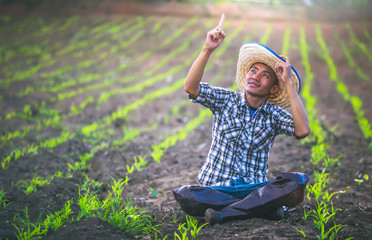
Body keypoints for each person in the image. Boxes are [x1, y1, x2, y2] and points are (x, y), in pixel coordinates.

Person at [179, 14, 311, 224]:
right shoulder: (226, 100)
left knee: (296, 181)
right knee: (187, 194)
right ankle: (259, 210)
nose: (255, 76)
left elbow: (302, 130)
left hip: (253, 189)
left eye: (265, 75)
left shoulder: (274, 114)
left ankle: (225, 213)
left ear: (274, 88)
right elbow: (191, 88)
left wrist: (289, 85)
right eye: (253, 70)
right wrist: (208, 49)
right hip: (217, 187)